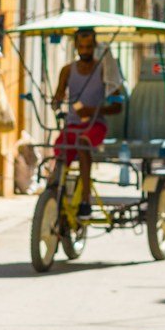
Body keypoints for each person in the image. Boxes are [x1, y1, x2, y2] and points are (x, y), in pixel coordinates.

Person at [50, 26, 125, 217]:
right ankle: (54, 191)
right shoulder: (67, 71)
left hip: (95, 125)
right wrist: (56, 102)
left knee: (83, 143)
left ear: (94, 46)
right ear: (75, 46)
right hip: (73, 124)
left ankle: (85, 199)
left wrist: (93, 111)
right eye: (81, 47)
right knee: (60, 148)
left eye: (88, 47)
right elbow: (58, 95)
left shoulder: (103, 71)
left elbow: (118, 106)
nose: (84, 51)